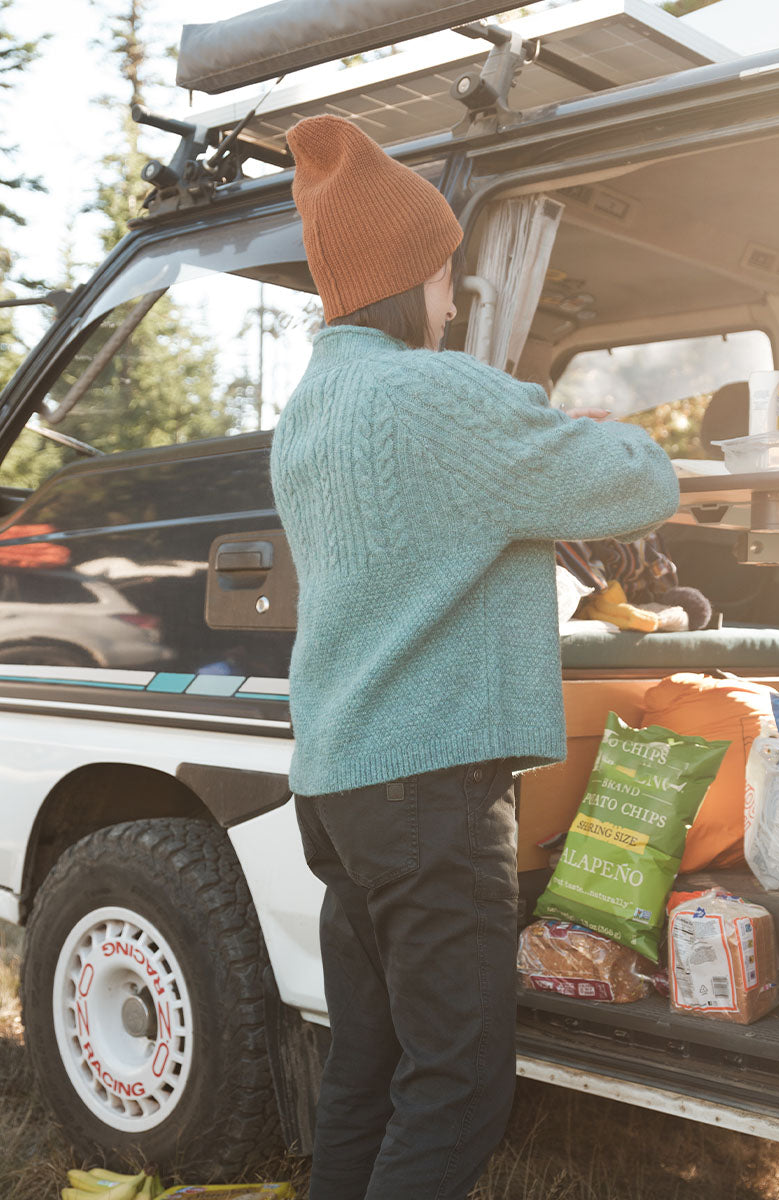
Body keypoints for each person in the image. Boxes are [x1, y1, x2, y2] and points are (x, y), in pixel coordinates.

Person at [269, 115, 679, 1200]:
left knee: (370, 1063)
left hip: (343, 782)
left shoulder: (314, 405)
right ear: (410, 277)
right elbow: (637, 481)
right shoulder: (431, 394)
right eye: (448, 274)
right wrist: (582, 424)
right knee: (459, 1087)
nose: (453, 299)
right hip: (428, 791)